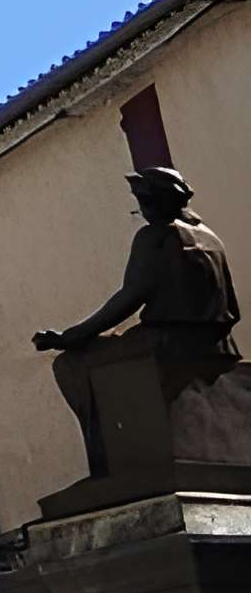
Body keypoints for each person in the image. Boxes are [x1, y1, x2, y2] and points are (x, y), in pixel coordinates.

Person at [33, 166, 241, 471]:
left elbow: (128, 298)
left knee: (71, 364)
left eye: (142, 202)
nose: (142, 211)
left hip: (169, 344)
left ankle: (109, 462)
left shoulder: (156, 236)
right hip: (221, 346)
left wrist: (71, 337)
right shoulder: (211, 238)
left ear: (154, 202)